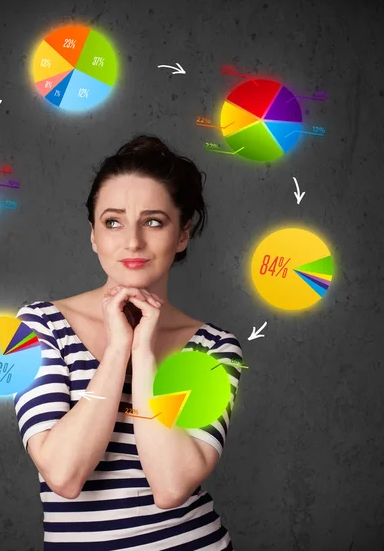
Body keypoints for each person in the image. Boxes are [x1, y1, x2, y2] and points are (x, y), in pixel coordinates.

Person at [13, 134, 243, 550]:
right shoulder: (37, 325)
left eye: (154, 221)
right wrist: (117, 351)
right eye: (113, 221)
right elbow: (63, 475)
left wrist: (144, 354)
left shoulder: (212, 348)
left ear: (183, 234)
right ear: (93, 235)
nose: (132, 241)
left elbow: (171, 487)